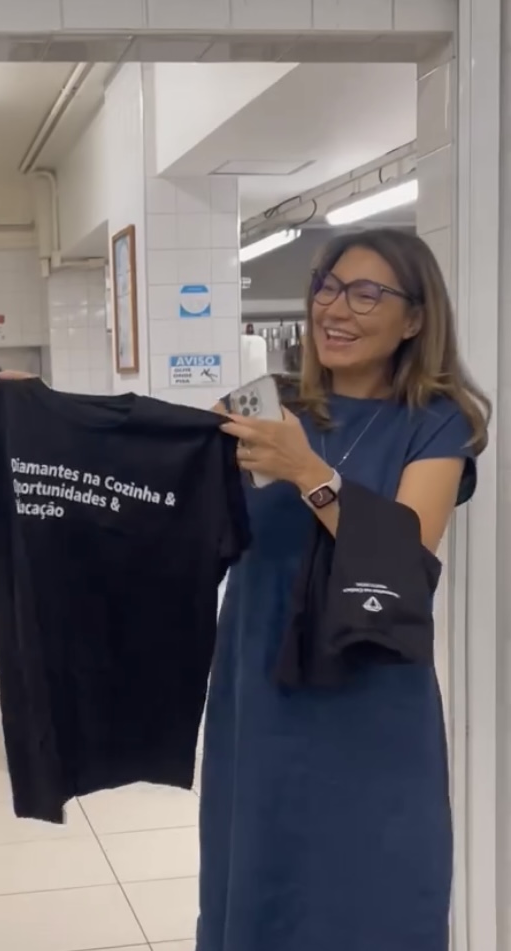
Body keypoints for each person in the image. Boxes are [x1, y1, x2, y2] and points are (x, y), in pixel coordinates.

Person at [203, 228, 489, 951]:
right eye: (327, 288)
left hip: (370, 700)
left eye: (366, 294)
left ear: (415, 319)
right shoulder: (267, 411)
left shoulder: (436, 425)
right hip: (262, 687)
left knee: (374, 887)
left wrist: (308, 472)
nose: (336, 307)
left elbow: (403, 554)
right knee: (266, 879)